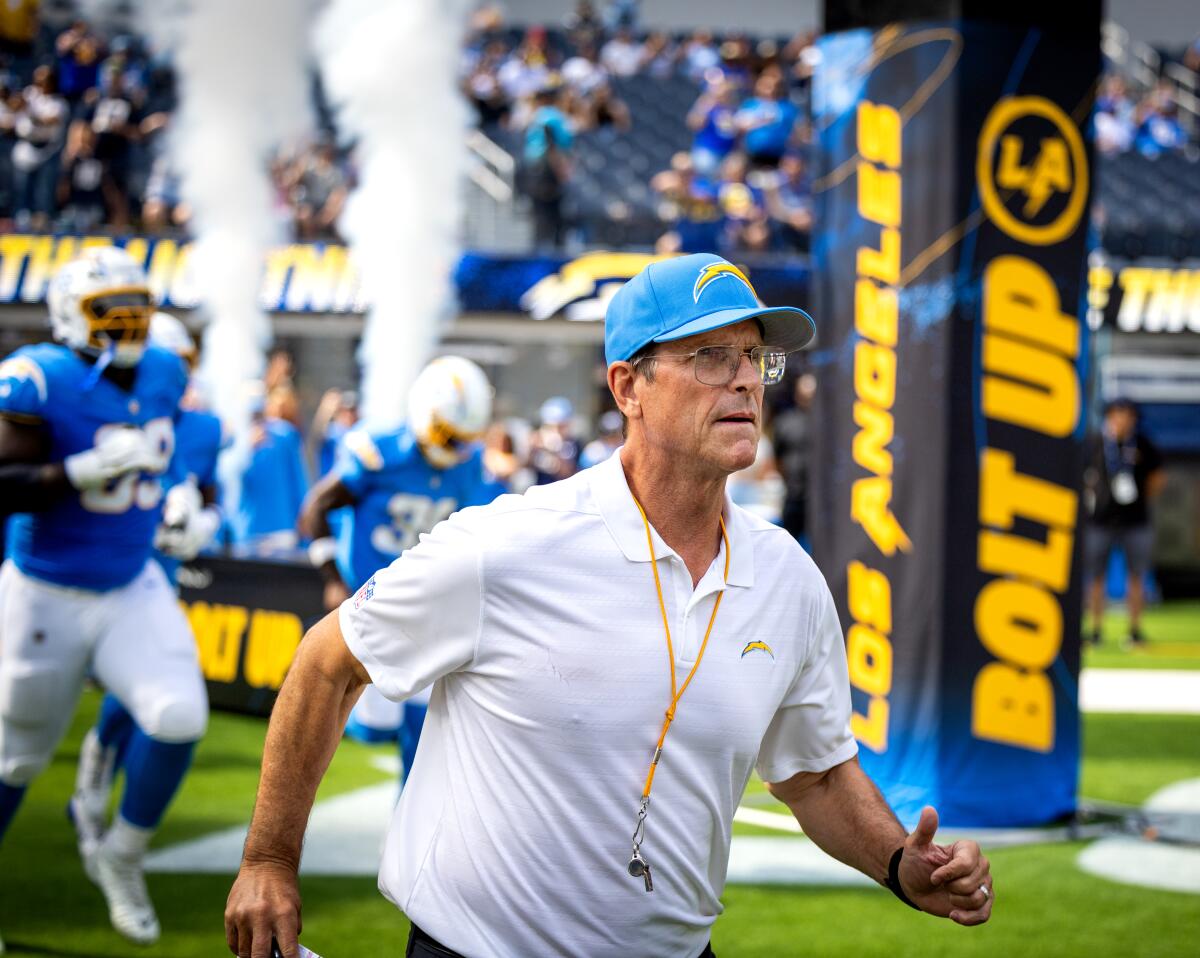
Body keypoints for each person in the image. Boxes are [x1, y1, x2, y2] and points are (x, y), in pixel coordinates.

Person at [225, 253, 993, 957]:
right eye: (709, 356)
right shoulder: (508, 544)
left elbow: (816, 775)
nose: (745, 381)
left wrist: (898, 863)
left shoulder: (788, 577)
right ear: (629, 387)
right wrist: (267, 859)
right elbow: (328, 662)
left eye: (755, 357)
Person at [0, 248, 208, 947]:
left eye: (135, 312)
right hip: (45, 588)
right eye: (107, 313)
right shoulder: (39, 376)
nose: (125, 327)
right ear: (70, 316)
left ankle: (120, 855)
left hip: (130, 583)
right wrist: (77, 471)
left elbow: (163, 449)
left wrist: (178, 495)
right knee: (16, 760)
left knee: (178, 716)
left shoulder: (165, 369)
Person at [68, 311, 224, 932]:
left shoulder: (205, 427)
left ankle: (99, 789)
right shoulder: (96, 408)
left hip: (156, 579)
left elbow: (207, 495)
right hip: (84, 576)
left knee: (158, 699)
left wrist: (200, 524)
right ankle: (93, 775)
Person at [298, 356, 504, 777]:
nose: (459, 450)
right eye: (451, 437)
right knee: (372, 727)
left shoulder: (468, 465)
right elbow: (315, 508)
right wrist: (333, 578)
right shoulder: (379, 451)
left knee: (423, 729)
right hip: (369, 601)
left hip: (428, 604)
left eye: (466, 440)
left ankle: (404, 828)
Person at [1083, 398, 1166, 648]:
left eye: (1127, 415)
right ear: (1109, 417)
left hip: (1135, 520)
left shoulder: (1143, 444)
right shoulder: (1095, 443)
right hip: (1100, 520)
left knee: (1137, 576)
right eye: (1118, 415)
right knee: (1095, 576)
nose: (1122, 420)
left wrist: (1139, 500)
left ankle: (1135, 630)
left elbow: (1157, 479)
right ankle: (1094, 630)